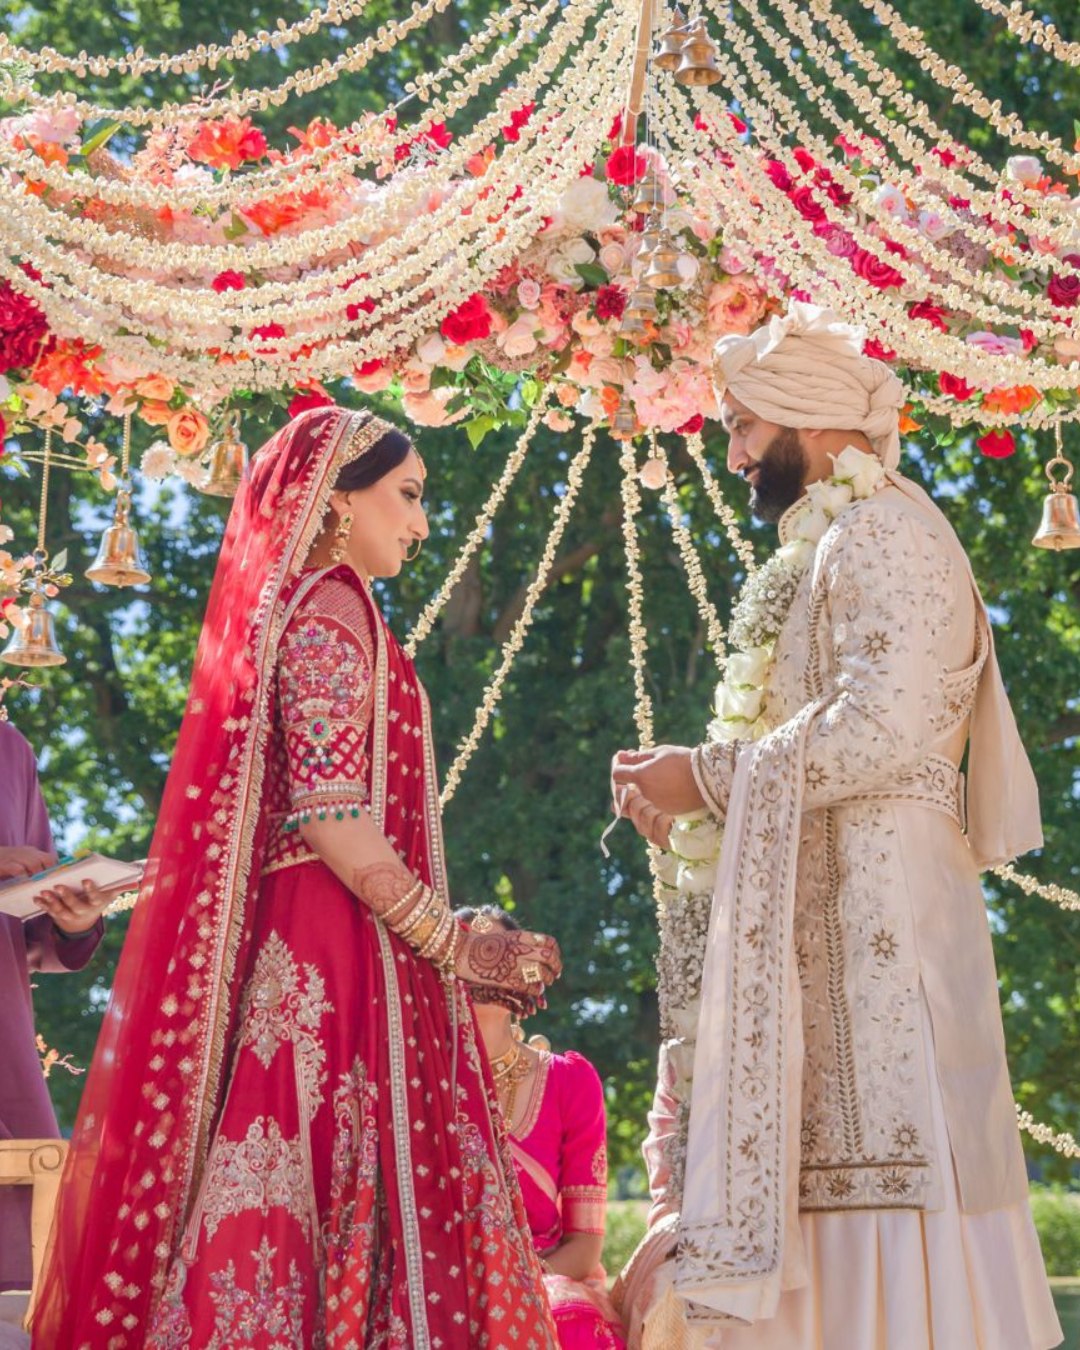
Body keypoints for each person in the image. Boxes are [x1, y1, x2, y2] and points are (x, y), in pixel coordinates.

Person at [33, 406, 563, 1349]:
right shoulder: (329, 610)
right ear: (334, 502)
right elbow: (330, 818)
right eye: (407, 496)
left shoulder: (323, 608)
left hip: (341, 936)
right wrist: (459, 943)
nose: (421, 523)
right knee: (307, 1167)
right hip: (331, 947)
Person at [610, 304, 1062, 1349]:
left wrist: (711, 779)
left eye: (742, 428)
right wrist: (695, 805)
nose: (732, 457)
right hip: (833, 924)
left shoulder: (887, 531)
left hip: (882, 929)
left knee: (890, 1168)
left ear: (809, 419)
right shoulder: (842, 535)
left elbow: (883, 726)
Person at [458, 904, 627, 1350]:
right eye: (470, 956)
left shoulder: (570, 1081)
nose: (485, 970)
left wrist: (517, 1283)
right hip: (448, 1278)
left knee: (565, 1321)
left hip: (543, 1275)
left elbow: (584, 1245)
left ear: (524, 975)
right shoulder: (419, 1084)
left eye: (496, 953)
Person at [0, 720, 110, 1300]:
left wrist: (72, 918)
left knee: (24, 1299)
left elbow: (32, 929)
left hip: (6, 1061)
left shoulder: (9, 750)